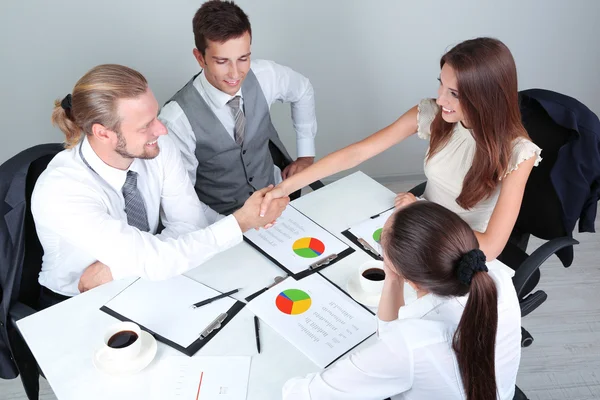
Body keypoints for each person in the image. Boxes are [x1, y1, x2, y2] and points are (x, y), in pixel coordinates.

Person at [32, 64, 288, 309]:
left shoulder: (159, 148)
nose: (162, 129)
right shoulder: (60, 192)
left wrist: (118, 268)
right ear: (103, 133)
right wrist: (239, 222)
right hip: (77, 300)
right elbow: (155, 260)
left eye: (155, 116)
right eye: (146, 125)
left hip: (136, 280)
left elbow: (190, 224)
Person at [260, 37, 542, 260]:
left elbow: (490, 248)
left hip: (462, 248)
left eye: (454, 93)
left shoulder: (519, 153)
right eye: (441, 85)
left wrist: (422, 213)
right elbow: (357, 152)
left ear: (485, 96)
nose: (441, 98)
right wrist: (282, 189)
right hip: (419, 227)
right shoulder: (436, 114)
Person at [283, 201, 522, 399]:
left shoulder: (409, 343)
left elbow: (305, 395)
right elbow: (389, 335)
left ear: (409, 276)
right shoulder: (495, 276)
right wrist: (394, 276)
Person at [159, 0, 317, 215]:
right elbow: (182, 201)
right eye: (222, 61)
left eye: (243, 58)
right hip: (221, 220)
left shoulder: (264, 76)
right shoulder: (176, 120)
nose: (235, 74)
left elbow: (303, 90)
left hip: (279, 199)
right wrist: (233, 227)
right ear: (200, 58)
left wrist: (306, 155)